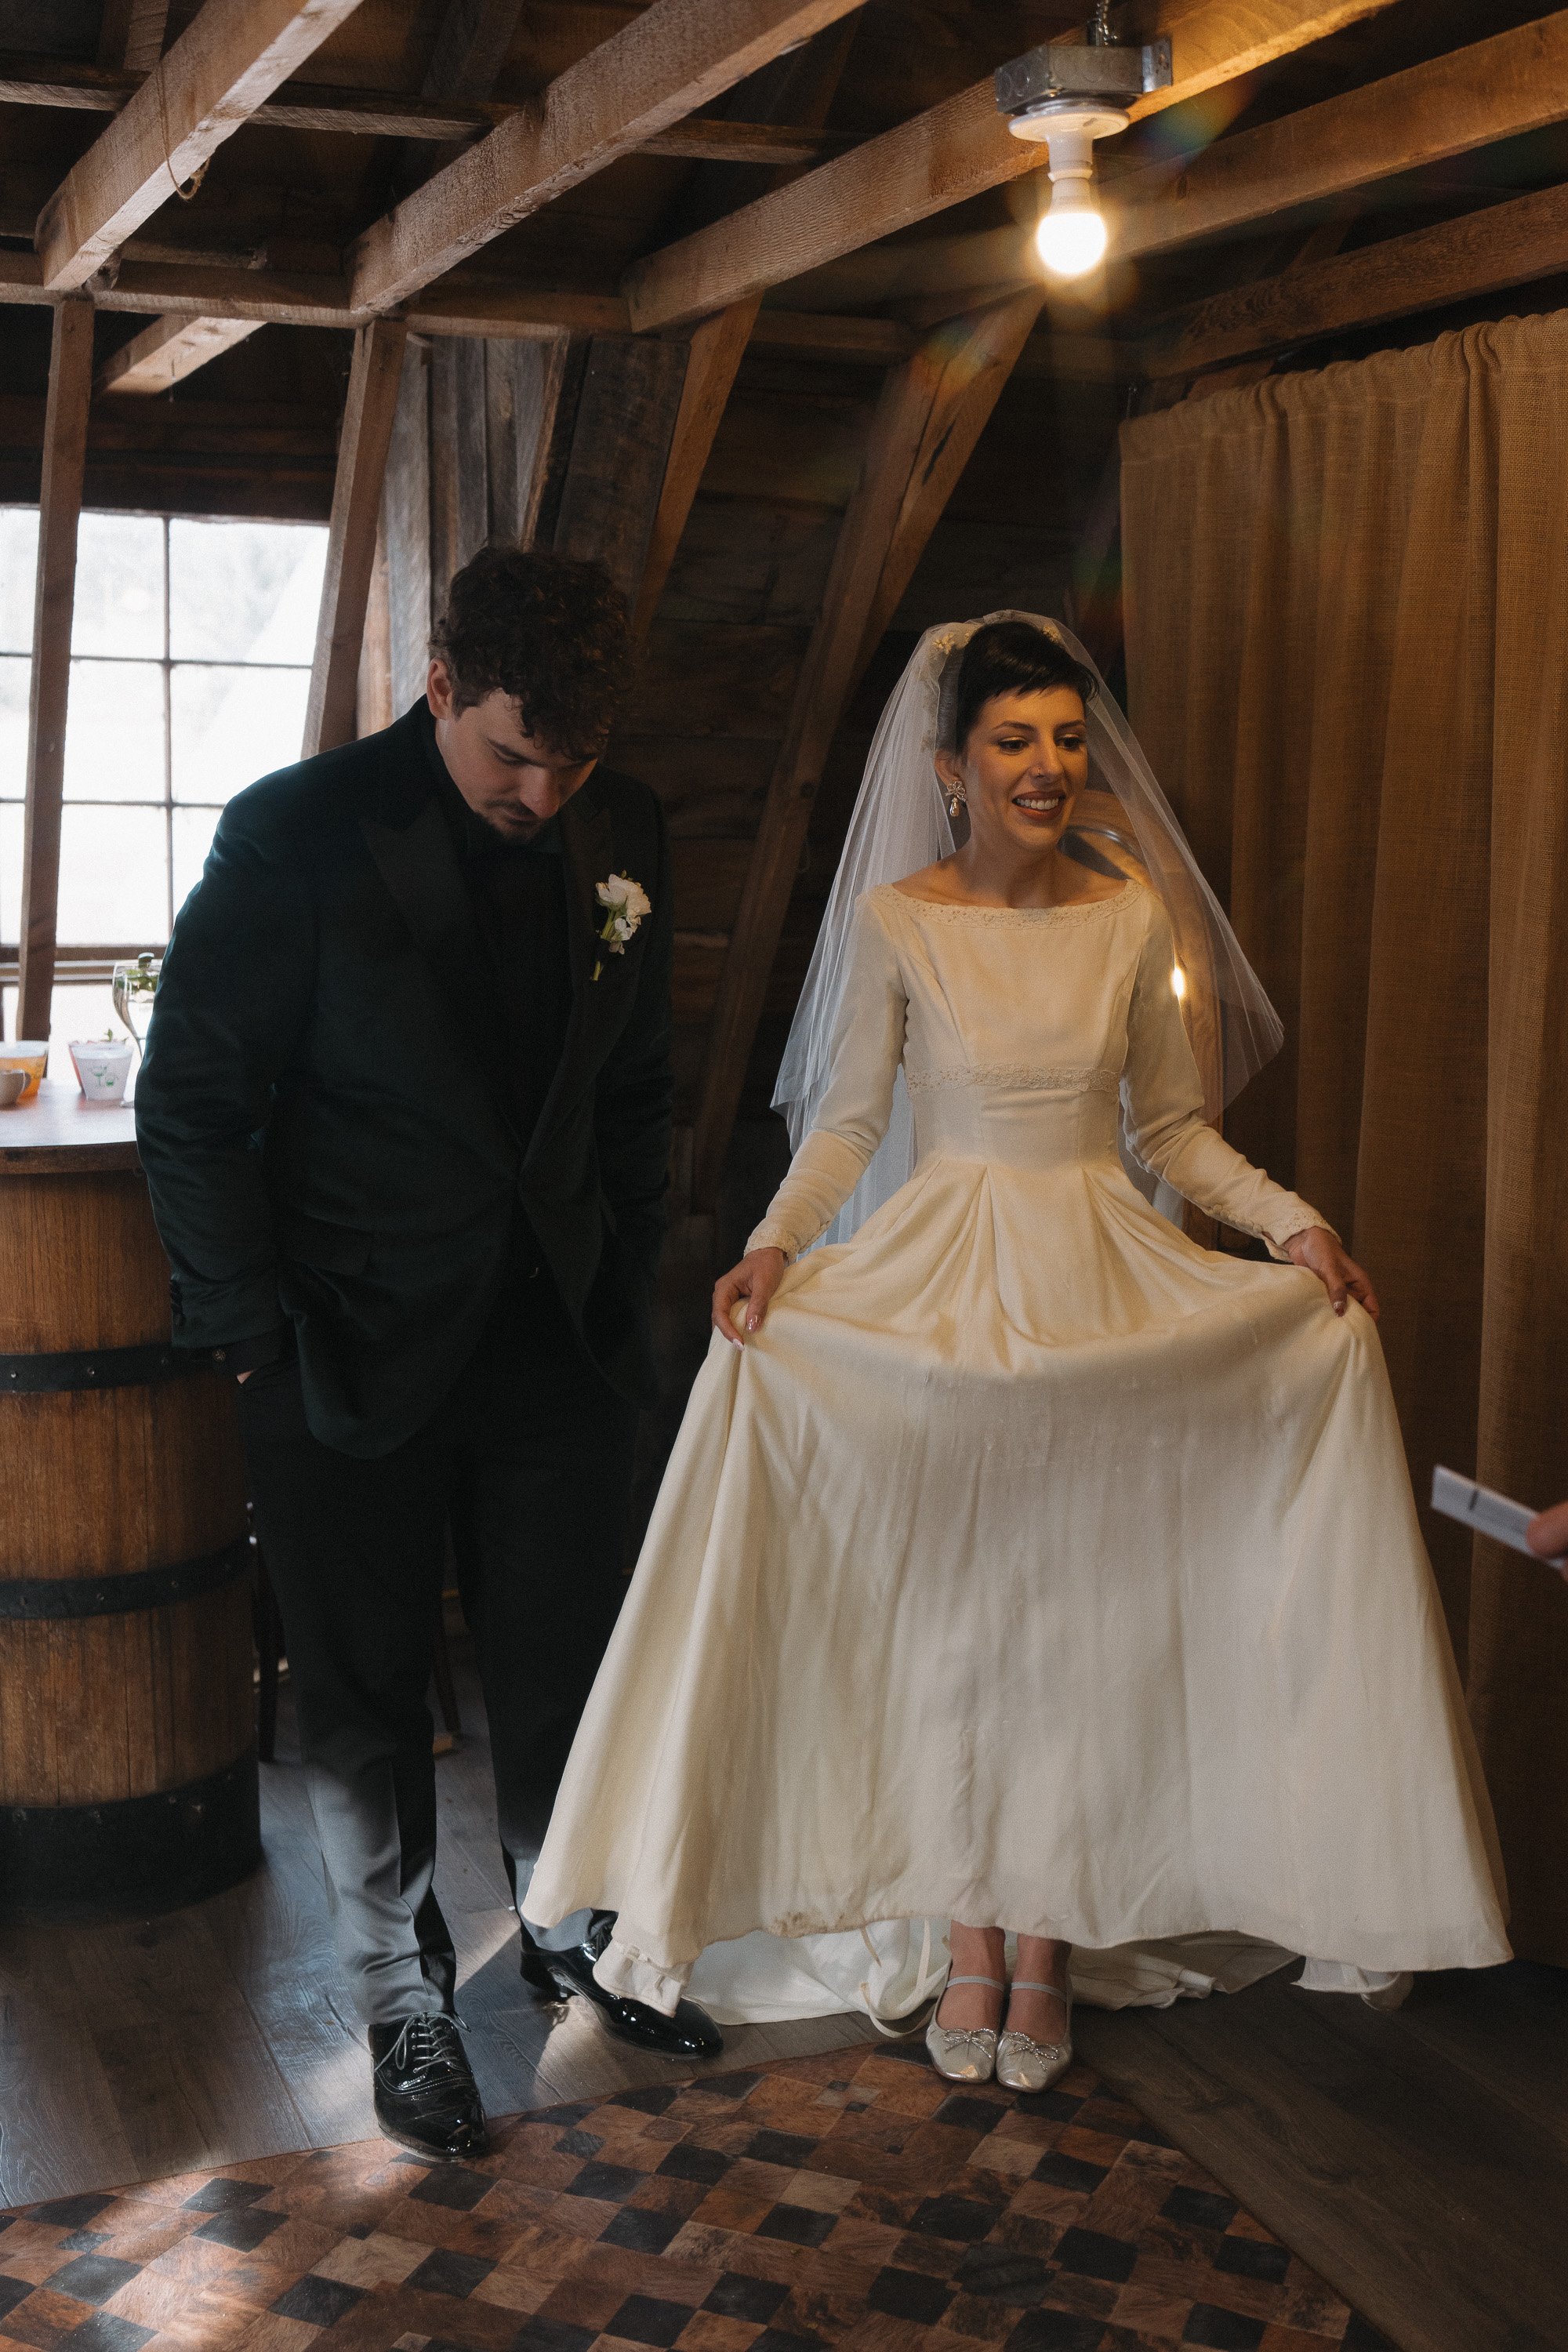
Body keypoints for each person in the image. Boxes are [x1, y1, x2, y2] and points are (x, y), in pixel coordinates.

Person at [526, 614, 1509, 2092]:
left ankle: (1043, 1948)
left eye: (1065, 737)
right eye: (1013, 741)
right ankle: (970, 1934)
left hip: (1097, 1285)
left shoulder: (1129, 917)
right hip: (943, 1288)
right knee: (964, 1625)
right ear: (952, 767)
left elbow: (1170, 1130)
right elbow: (852, 1122)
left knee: (1078, 1625)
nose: (1047, 765)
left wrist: (1295, 1227)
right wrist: (776, 1244)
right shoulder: (899, 920)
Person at [135, 546, 720, 2163]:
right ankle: (403, 2001)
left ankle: (566, 1927)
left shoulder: (628, 828)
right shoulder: (297, 830)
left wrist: (623, 1284)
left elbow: (634, 1089)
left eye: (572, 764)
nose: (543, 793)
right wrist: (249, 1335)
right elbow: (190, 1099)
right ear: (442, 683)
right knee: (365, 1697)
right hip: (343, 1345)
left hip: (555, 1346)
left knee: (562, 1663)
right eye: (513, 755)